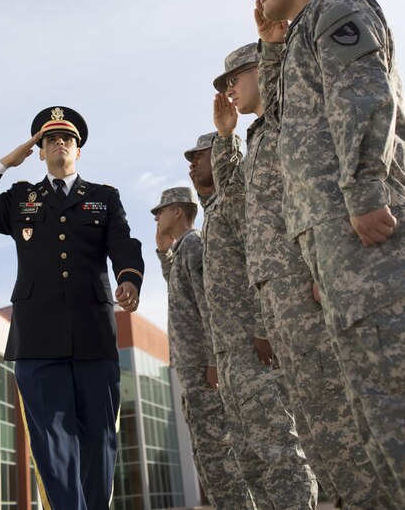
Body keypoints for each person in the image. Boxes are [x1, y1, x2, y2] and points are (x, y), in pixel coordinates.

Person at [245, 0, 405, 503]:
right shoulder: (297, 40)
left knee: (392, 402)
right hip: (334, 248)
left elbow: (363, 90)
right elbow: (289, 130)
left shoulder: (336, 8)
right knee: (371, 415)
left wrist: (365, 189)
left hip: (364, 232)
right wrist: (268, 47)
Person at [212, 42, 391, 508]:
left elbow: (324, 189)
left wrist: (323, 266)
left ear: (264, 70)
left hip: (311, 286)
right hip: (280, 299)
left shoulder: (294, 118)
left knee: (348, 422)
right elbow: (234, 211)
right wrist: (226, 137)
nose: (230, 89)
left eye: (236, 77)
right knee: (317, 428)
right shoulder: (257, 139)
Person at [0, 105, 144, 510]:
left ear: (79, 150)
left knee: (99, 440)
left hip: (94, 335)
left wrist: (129, 277)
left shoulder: (103, 197)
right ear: (39, 150)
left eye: (68, 138)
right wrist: (6, 161)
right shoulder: (21, 197)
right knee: (52, 446)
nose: (60, 143)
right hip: (37, 339)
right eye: (49, 139)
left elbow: (123, 242)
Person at [185, 133, 317, 509]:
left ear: (225, 155)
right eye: (190, 159)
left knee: (279, 451)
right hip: (231, 358)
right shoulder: (211, 217)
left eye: (201, 155)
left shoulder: (236, 203)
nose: (193, 164)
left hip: (254, 351)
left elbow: (258, 258)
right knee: (250, 460)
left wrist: (264, 329)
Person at [152, 186, 249, 509]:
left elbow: (208, 303)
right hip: (191, 365)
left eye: (160, 212)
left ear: (177, 212)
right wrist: (162, 252)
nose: (157, 218)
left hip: (202, 365)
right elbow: (179, 290)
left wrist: (212, 358)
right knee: (206, 451)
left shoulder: (194, 244)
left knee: (216, 450)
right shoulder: (181, 250)